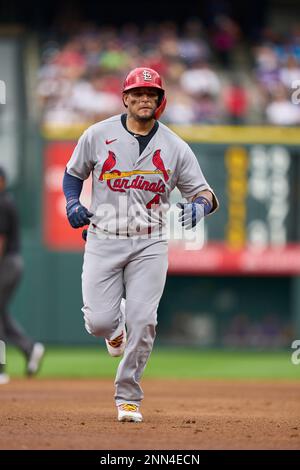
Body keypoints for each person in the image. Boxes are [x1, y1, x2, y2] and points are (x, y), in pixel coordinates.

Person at [63, 67, 219, 422]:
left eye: (151, 94)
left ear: (160, 100)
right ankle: (113, 333)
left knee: (144, 319)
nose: (144, 99)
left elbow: (206, 193)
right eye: (138, 93)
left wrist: (198, 206)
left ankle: (128, 396)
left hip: (150, 241)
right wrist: (73, 203)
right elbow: (73, 174)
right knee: (100, 322)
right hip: (103, 237)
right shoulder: (97, 134)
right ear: (126, 98)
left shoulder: (175, 145)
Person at [0, 167, 45, 384]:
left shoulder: (2, 202)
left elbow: (1, 241)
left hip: (6, 263)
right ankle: (29, 348)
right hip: (11, 263)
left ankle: (0, 369)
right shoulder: (6, 200)